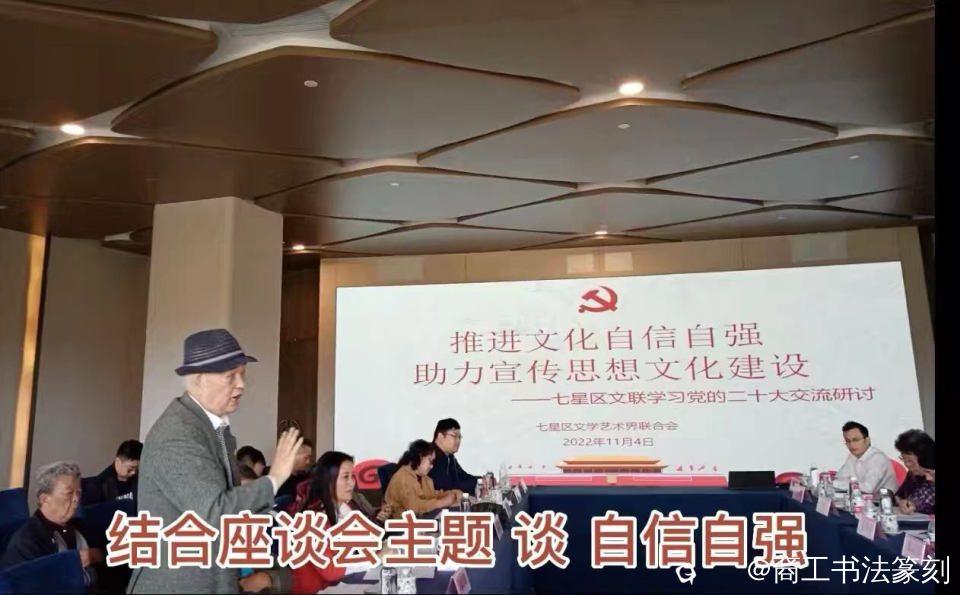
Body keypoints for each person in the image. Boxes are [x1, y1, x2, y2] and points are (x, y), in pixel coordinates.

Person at [129, 329, 303, 594]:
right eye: (230, 376)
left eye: (242, 374)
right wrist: (274, 478)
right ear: (199, 380)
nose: (241, 385)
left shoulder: (209, 426)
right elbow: (215, 513)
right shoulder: (177, 434)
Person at [241, 451, 391, 594]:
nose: (351, 483)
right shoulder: (312, 518)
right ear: (329, 480)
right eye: (345, 477)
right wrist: (376, 558)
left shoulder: (346, 508)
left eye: (353, 476)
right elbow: (331, 571)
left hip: (342, 584)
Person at [2, 462, 104, 588]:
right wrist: (71, 563)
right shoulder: (25, 542)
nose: (76, 499)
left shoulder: (81, 525)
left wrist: (95, 555)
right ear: (44, 499)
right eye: (69, 493)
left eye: (78, 492)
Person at [385, 440, 460, 519]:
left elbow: (431, 495)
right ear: (420, 457)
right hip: (405, 522)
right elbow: (413, 507)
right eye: (430, 461)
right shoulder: (403, 477)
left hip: (421, 519)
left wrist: (452, 493)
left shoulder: (425, 479)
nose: (431, 466)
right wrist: (440, 503)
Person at [835, 421, 898, 495]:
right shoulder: (852, 456)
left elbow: (868, 488)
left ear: (867, 440)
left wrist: (839, 483)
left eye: (856, 440)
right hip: (862, 499)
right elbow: (839, 478)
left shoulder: (878, 458)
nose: (851, 445)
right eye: (848, 441)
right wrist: (839, 483)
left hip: (886, 501)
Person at [82, 439, 142, 506]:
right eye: (130, 469)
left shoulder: (138, 480)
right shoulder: (100, 486)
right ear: (118, 461)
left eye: (136, 469)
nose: (134, 472)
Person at [428, 418, 479, 493]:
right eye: (454, 436)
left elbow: (462, 476)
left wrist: (481, 480)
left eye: (459, 437)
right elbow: (447, 487)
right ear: (440, 437)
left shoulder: (449, 456)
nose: (458, 440)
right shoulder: (429, 455)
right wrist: (478, 485)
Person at [893, 429, 935, 514]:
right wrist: (902, 502)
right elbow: (899, 496)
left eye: (910, 461)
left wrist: (915, 506)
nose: (907, 464)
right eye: (904, 459)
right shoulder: (912, 474)